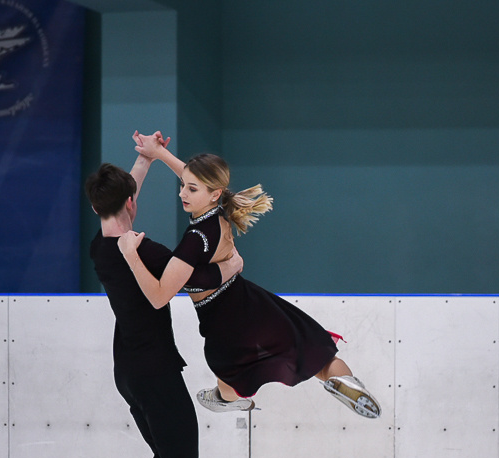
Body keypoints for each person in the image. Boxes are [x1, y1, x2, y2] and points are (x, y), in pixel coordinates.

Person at [117, 132, 381, 419]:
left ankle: (230, 398)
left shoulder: (195, 239)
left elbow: (158, 297)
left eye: (191, 190)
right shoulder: (220, 212)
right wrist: (159, 153)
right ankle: (347, 383)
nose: (182, 193)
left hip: (222, 321)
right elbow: (198, 178)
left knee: (232, 383)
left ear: (213, 193)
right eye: (184, 186)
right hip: (253, 304)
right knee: (319, 359)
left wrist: (130, 255)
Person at [87, 148, 242, 458]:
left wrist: (146, 161)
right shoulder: (145, 251)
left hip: (130, 371)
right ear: (131, 204)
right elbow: (193, 276)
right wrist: (231, 265)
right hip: (154, 369)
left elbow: (120, 198)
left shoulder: (100, 246)